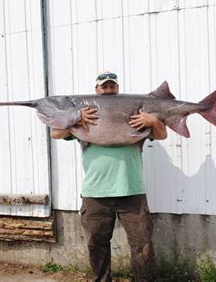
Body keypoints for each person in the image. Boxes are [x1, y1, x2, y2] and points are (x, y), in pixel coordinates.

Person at [50, 72, 167, 282]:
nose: (108, 89)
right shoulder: (83, 118)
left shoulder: (136, 114)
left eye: (112, 86)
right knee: (97, 245)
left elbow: (161, 134)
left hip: (132, 191)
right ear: (96, 90)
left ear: (118, 88)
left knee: (142, 245)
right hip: (95, 193)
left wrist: (154, 120)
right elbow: (55, 133)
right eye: (104, 86)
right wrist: (76, 118)